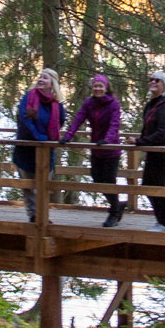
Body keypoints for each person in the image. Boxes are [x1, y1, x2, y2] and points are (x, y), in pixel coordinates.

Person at [64, 73, 126, 227]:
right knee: (97, 179)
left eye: (100, 86)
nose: (97, 89)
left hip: (111, 149)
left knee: (109, 181)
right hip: (96, 149)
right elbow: (79, 118)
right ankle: (118, 206)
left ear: (106, 88)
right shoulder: (89, 103)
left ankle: (113, 214)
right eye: (95, 86)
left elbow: (114, 124)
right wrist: (68, 135)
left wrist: (108, 140)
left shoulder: (113, 104)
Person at [12, 69, 64, 220]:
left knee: (44, 184)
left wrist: (49, 137)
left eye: (45, 78)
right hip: (26, 147)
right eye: (40, 77)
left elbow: (61, 120)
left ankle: (42, 215)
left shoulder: (56, 103)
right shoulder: (29, 97)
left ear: (52, 83)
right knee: (28, 186)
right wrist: (39, 137)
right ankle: (34, 216)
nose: (41, 80)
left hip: (46, 149)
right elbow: (24, 118)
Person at [134, 69, 165, 229]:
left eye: (157, 80)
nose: (153, 82)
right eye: (151, 79)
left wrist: (140, 142)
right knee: (149, 185)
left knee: (157, 186)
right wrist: (140, 140)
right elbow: (147, 127)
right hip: (153, 151)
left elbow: (162, 132)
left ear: (164, 85)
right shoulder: (152, 104)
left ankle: (163, 222)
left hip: (162, 152)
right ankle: (161, 220)